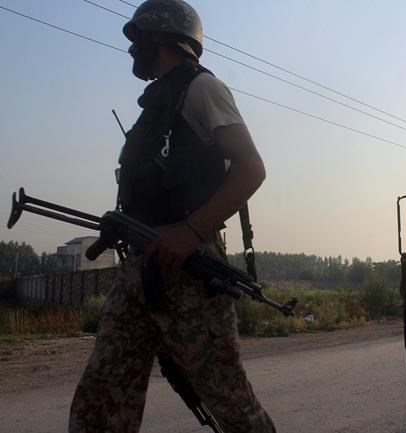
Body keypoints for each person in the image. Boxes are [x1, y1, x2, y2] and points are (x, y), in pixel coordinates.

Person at [68, 1, 276, 432]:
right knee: (99, 401)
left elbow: (251, 168)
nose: (132, 49)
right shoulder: (154, 106)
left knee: (229, 399)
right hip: (139, 269)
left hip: (188, 269)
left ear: (163, 38)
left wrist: (190, 230)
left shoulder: (202, 88)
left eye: (138, 38)